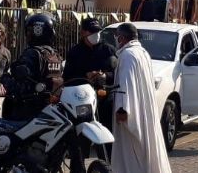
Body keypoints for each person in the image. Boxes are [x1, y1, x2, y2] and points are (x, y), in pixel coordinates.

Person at [111, 23, 171, 173]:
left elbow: (125, 84)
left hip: (131, 112)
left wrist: (122, 109)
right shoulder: (143, 52)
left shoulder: (127, 55)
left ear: (122, 38)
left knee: (131, 152)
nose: (115, 40)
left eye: (117, 36)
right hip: (142, 109)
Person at [2, 13, 63, 120]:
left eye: (29, 31)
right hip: (50, 110)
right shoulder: (54, 55)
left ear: (37, 31)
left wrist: (4, 79)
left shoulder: (32, 54)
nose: (27, 34)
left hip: (29, 112)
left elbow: (22, 87)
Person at [63, 18, 116, 129]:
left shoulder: (108, 50)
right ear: (83, 33)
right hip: (82, 100)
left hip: (104, 99)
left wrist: (104, 76)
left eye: (98, 31)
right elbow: (67, 77)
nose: (96, 35)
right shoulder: (75, 52)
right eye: (92, 32)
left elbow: (117, 74)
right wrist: (86, 76)